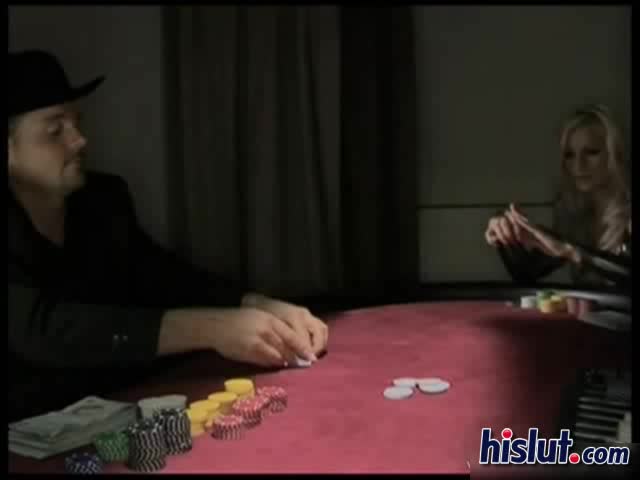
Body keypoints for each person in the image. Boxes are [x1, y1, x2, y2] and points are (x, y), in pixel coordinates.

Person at [8, 50, 328, 421]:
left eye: (77, 122)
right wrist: (212, 328)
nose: (79, 140)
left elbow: (161, 275)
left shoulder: (102, 200)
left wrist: (254, 303)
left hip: (122, 402)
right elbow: (44, 331)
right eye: (55, 131)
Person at [484, 104, 631, 290]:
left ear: (615, 154)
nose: (578, 165)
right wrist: (506, 234)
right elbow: (526, 274)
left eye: (592, 152)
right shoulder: (575, 215)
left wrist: (571, 251)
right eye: (570, 155)